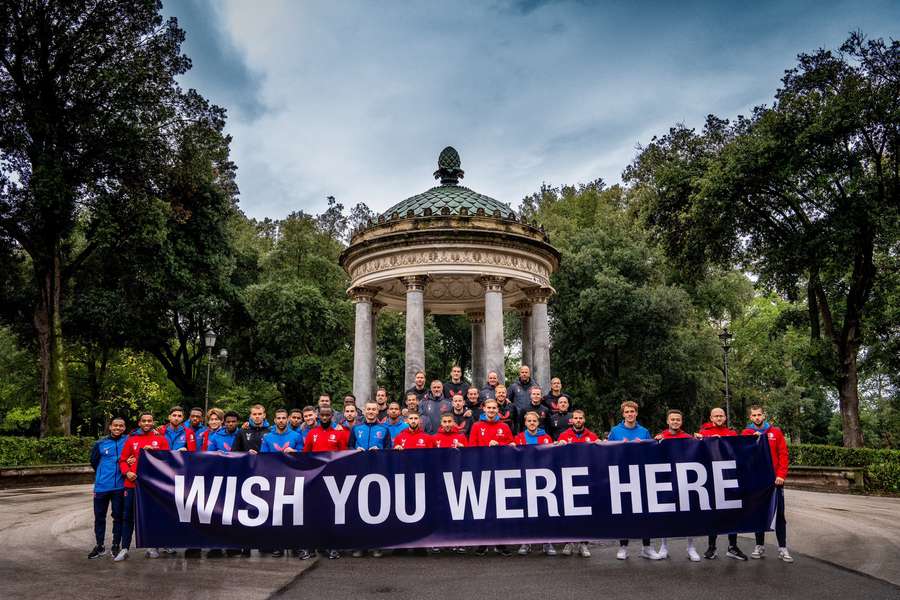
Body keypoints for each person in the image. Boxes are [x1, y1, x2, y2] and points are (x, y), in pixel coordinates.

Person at [607, 400, 660, 560]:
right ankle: (623, 547)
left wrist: (652, 443)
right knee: (625, 512)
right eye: (627, 412)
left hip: (641, 476)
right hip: (622, 476)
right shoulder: (615, 431)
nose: (630, 414)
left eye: (633, 411)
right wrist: (617, 447)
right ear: (623, 414)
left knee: (645, 512)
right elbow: (607, 453)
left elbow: (651, 453)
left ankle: (647, 547)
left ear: (636, 413)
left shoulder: (644, 431)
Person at [694, 407, 748, 560]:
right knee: (714, 513)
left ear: (725, 417)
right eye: (716, 416)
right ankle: (712, 547)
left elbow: (739, 451)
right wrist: (700, 440)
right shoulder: (704, 433)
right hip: (711, 479)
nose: (718, 418)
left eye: (721, 415)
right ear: (711, 418)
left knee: (733, 512)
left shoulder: (731, 433)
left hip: (729, 478)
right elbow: (696, 451)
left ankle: (732, 547)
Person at [114, 411, 169, 562]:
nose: (146, 423)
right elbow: (123, 460)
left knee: (152, 515)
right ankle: (124, 548)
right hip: (132, 484)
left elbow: (168, 461)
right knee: (128, 516)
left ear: (153, 422)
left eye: (149, 421)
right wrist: (127, 473)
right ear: (139, 423)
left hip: (152, 485)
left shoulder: (161, 440)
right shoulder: (132, 440)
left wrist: (156, 453)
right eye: (143, 421)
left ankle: (152, 546)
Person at [743, 405, 792, 562]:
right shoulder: (746, 433)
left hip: (775, 481)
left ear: (763, 416)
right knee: (759, 513)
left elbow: (783, 454)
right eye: (754, 415)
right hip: (757, 481)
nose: (757, 417)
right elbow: (743, 455)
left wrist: (781, 475)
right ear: (750, 418)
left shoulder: (775, 432)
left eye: (759, 415)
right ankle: (759, 546)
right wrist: (753, 442)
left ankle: (783, 548)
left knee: (779, 515)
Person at [303, 406, 349, 560]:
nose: (324, 418)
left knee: (331, 513)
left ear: (331, 416)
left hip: (332, 479)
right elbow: (306, 455)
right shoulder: (312, 433)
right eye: (322, 415)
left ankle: (331, 546)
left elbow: (343, 457)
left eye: (327, 415)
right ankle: (310, 546)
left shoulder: (339, 434)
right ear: (318, 416)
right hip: (315, 479)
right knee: (313, 513)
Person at [469, 398, 513, 557]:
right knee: (484, 508)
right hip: (482, 472)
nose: (492, 410)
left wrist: (499, 446)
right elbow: (471, 449)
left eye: (494, 408)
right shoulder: (476, 426)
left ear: (498, 410)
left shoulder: (504, 426)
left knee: (500, 508)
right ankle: (483, 542)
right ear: (484, 409)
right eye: (489, 408)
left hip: (500, 472)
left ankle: (501, 543)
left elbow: (511, 449)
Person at [654, 409, 700, 562]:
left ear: (681, 421)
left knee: (689, 514)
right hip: (666, 481)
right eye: (672, 419)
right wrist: (655, 443)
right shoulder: (660, 438)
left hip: (684, 481)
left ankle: (690, 547)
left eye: (678, 419)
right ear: (667, 421)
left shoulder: (687, 438)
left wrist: (699, 441)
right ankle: (664, 546)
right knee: (665, 514)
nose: (675, 422)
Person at [511, 411, 556, 557]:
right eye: (529, 421)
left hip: (543, 480)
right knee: (526, 511)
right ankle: (526, 541)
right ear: (525, 423)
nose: (531, 423)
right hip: (524, 478)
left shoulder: (546, 438)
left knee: (544, 511)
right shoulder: (519, 438)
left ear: (538, 423)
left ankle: (547, 542)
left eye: (534, 421)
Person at [555, 409, 599, 558]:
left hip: (586, 479)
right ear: (571, 420)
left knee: (585, 513)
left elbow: (598, 456)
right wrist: (558, 445)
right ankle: (569, 542)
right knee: (568, 512)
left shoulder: (591, 436)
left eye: (581, 418)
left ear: (584, 420)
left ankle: (583, 544)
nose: (578, 420)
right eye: (576, 418)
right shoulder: (564, 435)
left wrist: (600, 445)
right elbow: (556, 456)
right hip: (568, 478)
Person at [88, 416, 126, 560]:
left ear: (124, 428)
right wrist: (103, 474)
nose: (118, 428)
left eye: (121, 426)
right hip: (102, 487)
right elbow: (94, 462)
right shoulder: (100, 443)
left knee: (118, 517)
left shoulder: (127, 441)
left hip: (120, 487)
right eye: (115, 425)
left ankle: (116, 544)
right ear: (110, 427)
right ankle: (99, 546)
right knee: (99, 517)